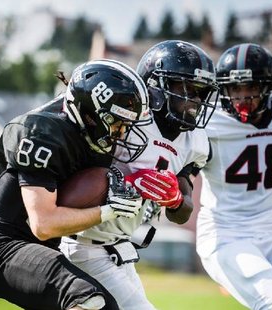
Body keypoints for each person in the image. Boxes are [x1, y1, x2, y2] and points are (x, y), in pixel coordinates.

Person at [0, 59, 153, 310]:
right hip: (3, 248)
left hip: (45, 248)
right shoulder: (40, 131)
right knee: (92, 302)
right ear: (91, 114)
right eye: (116, 123)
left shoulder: (88, 132)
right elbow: (43, 224)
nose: (121, 134)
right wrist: (109, 211)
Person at [58, 40, 219, 309]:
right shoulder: (126, 116)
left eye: (202, 93)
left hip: (119, 249)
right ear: (156, 86)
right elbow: (68, 192)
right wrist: (121, 184)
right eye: (188, 89)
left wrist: (176, 198)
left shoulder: (196, 141)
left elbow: (182, 213)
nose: (195, 101)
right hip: (82, 243)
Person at [196, 43, 272, 309]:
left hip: (271, 237)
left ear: (269, 87)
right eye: (235, 88)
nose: (243, 97)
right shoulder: (207, 123)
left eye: (251, 87)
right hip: (224, 238)